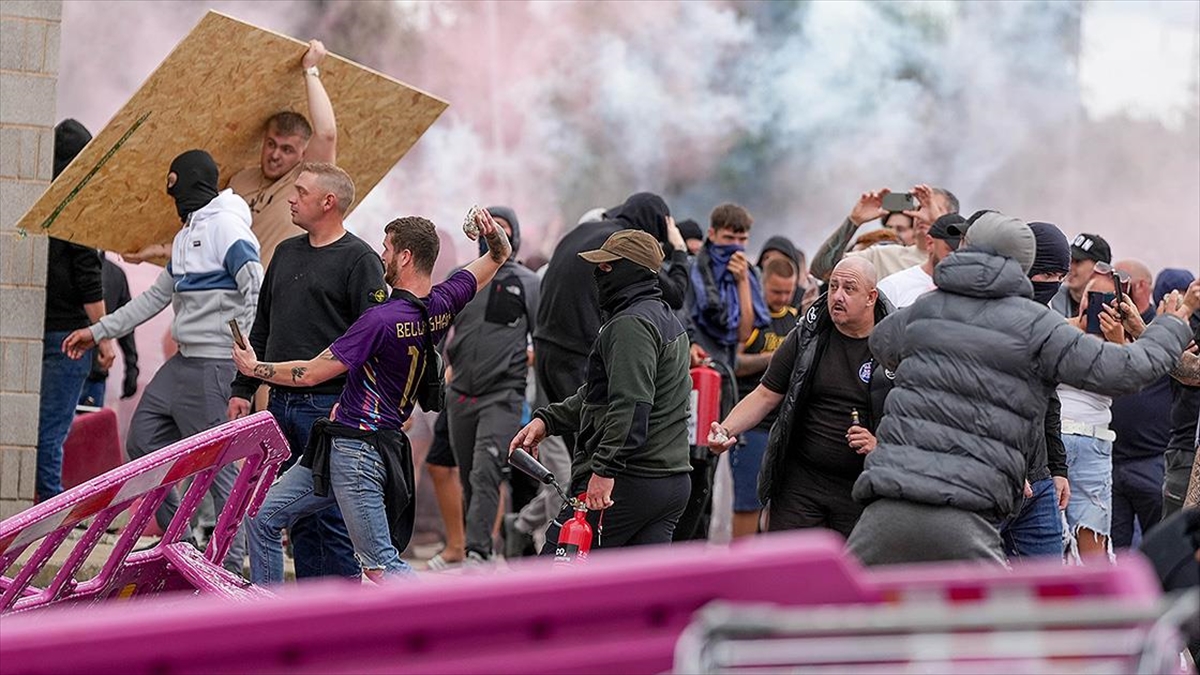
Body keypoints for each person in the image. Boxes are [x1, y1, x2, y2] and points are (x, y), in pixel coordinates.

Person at [844, 212, 1199, 566]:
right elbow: (1125, 370)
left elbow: (882, 343)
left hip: (884, 505)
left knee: (835, 613)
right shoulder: (1035, 325)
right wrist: (1171, 323)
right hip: (966, 512)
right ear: (1023, 264)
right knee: (1011, 616)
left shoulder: (923, 310)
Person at [237, 210, 512, 583]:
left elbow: (313, 373)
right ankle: (267, 622)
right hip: (341, 445)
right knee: (261, 518)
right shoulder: (442, 302)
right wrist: (492, 233)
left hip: (358, 454)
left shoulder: (380, 320)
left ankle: (448, 628)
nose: (381, 255)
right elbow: (499, 254)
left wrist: (255, 369)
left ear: (405, 257)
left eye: (386, 248)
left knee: (380, 566)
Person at [62, 150, 262, 573]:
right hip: (184, 362)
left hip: (214, 364)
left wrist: (244, 347)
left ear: (188, 184)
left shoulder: (226, 225)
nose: (174, 196)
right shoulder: (186, 233)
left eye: (177, 186)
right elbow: (156, 297)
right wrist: (98, 331)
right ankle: (183, 540)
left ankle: (231, 563)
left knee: (221, 467)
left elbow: (254, 284)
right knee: (142, 441)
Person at [226, 162, 386, 580]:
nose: (290, 199)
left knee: (329, 522)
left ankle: (337, 625)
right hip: (279, 406)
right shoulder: (285, 252)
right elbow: (263, 325)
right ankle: (299, 622)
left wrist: (353, 408)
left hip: (329, 410)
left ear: (328, 202)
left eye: (300, 191)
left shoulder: (360, 260)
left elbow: (373, 344)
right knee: (289, 519)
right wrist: (243, 388)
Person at [511, 229, 692, 550]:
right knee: (634, 596)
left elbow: (631, 406)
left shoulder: (631, 324)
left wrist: (604, 471)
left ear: (633, 270)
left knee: (557, 578)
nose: (598, 273)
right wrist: (548, 421)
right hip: (667, 482)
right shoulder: (663, 317)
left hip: (629, 481)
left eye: (609, 266)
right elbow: (599, 397)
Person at [708, 257, 892, 538]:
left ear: (871, 297)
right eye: (833, 287)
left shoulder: (894, 345)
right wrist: (726, 429)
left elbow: (914, 415)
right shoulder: (807, 336)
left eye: (849, 289)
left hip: (861, 487)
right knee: (788, 573)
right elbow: (766, 394)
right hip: (801, 483)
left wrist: (882, 445)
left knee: (848, 578)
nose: (837, 296)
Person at [444, 206, 541, 563]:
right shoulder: (463, 277)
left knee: (487, 470)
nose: (495, 234)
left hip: (504, 395)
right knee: (470, 475)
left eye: (501, 228)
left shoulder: (529, 283)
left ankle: (478, 552)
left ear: (513, 235)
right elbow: (438, 329)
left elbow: (541, 339)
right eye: (489, 228)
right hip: (460, 395)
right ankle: (479, 543)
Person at [681, 203, 770, 541]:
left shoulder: (748, 273)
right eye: (728, 238)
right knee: (693, 461)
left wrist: (742, 284)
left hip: (726, 380)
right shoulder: (693, 270)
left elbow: (743, 333)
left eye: (742, 239)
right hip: (695, 378)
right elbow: (685, 315)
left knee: (715, 470)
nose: (734, 245)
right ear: (713, 234)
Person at [37, 119, 113, 501]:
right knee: (53, 430)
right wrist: (104, 335)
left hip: (34, 329)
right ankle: (48, 512)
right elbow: (87, 277)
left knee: (35, 429)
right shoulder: (78, 206)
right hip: (69, 335)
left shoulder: (36, 202)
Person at [997, 221, 1072, 560]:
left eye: (1061, 276)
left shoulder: (1046, 320)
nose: (1053, 285)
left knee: (1052, 594)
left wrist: (1058, 468)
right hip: (992, 480)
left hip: (1039, 481)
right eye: (1045, 275)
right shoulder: (986, 317)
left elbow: (1049, 401)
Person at [728, 256, 798, 537]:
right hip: (753, 428)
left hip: (784, 425)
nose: (782, 298)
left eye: (787, 292)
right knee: (748, 503)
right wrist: (775, 358)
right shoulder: (753, 317)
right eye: (776, 291)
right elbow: (734, 362)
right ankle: (740, 570)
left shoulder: (796, 320)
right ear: (763, 285)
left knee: (779, 506)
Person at [1108, 260, 1172, 549]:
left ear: (1142, 285)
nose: (1116, 289)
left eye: (1122, 281)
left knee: (1161, 547)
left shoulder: (1164, 331)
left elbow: (1150, 364)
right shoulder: (1105, 324)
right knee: (1115, 550)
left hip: (1153, 460)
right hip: (1111, 460)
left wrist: (1131, 335)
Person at [810, 184, 959, 281]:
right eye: (920, 207)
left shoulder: (962, 261)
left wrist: (939, 224)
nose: (922, 214)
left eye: (933, 207)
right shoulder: (883, 256)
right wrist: (853, 222)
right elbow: (822, 270)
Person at [79, 255, 139, 408]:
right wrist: (131, 367)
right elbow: (126, 325)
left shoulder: (115, 274)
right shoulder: (115, 274)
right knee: (88, 428)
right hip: (94, 367)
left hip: (86, 367)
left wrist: (131, 367)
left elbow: (126, 325)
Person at [876, 213, 966, 308]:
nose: (958, 255)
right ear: (930, 243)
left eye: (964, 250)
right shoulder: (893, 287)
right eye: (951, 249)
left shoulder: (972, 289)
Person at [1050, 232, 1111, 319]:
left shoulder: (1112, 306)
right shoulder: (1052, 296)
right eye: (1069, 260)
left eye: (1078, 261)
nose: (1070, 267)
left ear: (1100, 268)